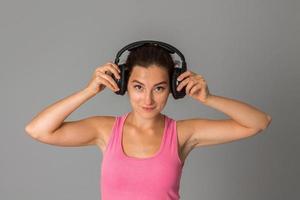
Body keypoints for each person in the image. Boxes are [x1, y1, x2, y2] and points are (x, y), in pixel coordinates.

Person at [25, 43, 272, 200]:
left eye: (159, 88)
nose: (148, 99)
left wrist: (209, 98)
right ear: (123, 85)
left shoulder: (182, 133)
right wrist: (89, 91)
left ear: (173, 89)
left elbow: (259, 122)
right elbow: (37, 130)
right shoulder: (105, 130)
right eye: (138, 87)